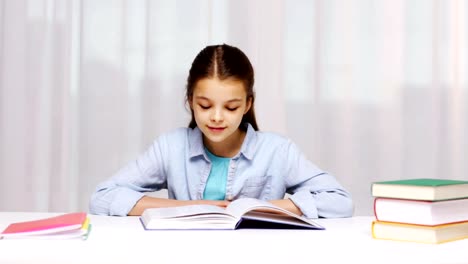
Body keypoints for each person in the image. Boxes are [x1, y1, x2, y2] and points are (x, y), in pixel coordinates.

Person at [89, 44, 353, 218]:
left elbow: (340, 201)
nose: (216, 117)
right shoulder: (171, 147)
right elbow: (102, 199)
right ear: (191, 100)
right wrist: (193, 209)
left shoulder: (277, 150)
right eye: (205, 105)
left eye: (230, 107)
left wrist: (253, 209)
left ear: (248, 103)